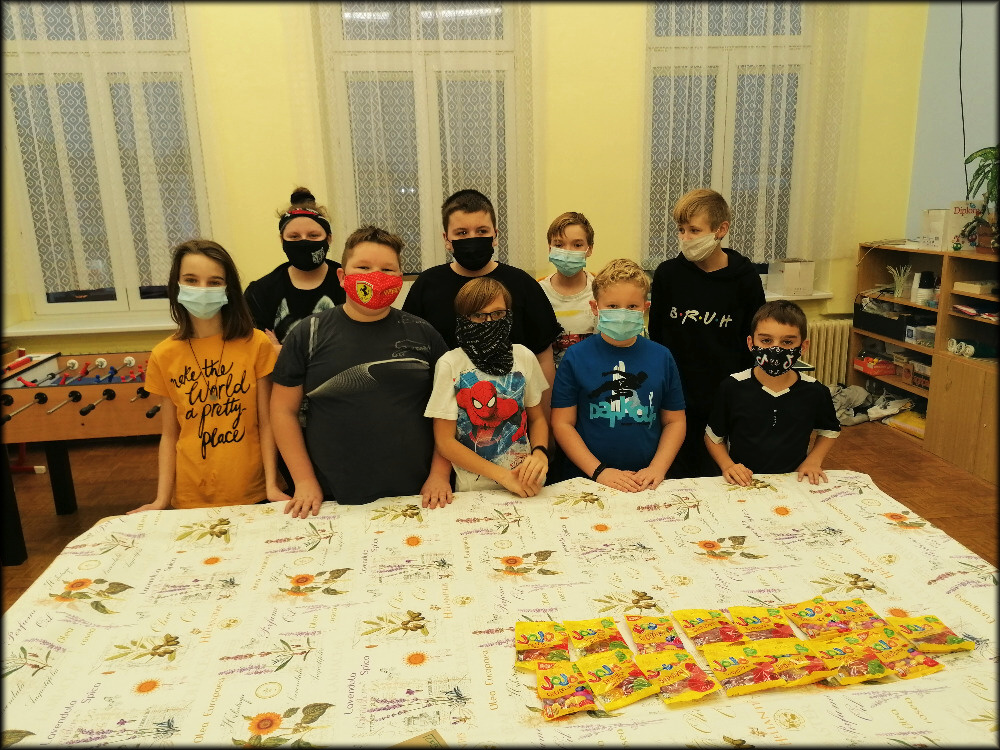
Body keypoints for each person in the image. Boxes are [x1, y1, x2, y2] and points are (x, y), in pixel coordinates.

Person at [270, 225, 452, 518]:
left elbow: (448, 410)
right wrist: (303, 481)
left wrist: (439, 474)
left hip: (419, 492)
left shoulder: (424, 333)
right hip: (330, 494)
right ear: (342, 276)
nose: (375, 276)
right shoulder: (308, 333)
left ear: (400, 278)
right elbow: (282, 411)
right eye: (363, 267)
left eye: (387, 269)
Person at [128, 240, 290, 513]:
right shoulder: (163, 354)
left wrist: (272, 485)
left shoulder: (256, 344)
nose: (202, 290)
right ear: (176, 285)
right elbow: (169, 435)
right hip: (191, 494)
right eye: (191, 280)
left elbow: (267, 423)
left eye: (214, 282)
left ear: (228, 289)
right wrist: (160, 500)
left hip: (252, 490)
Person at [402, 189, 561, 413]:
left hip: (514, 419)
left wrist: (544, 421)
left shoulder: (523, 284)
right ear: (446, 239)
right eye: (462, 233)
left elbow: (543, 358)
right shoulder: (426, 286)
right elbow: (412, 359)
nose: (472, 239)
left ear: (495, 235)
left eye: (482, 231)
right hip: (444, 418)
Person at [647, 188, 765, 478]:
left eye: (694, 230)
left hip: (724, 396)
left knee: (718, 474)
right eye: (681, 230)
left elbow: (753, 340)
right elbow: (657, 336)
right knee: (675, 474)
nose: (686, 238)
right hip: (677, 396)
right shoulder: (667, 274)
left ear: (720, 229)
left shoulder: (745, 278)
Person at [551, 259, 686, 492]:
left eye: (632, 306)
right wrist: (599, 471)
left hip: (646, 480)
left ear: (645, 307)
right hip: (587, 479)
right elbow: (562, 423)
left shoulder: (662, 357)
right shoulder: (575, 357)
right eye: (612, 306)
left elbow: (675, 421)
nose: (622, 314)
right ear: (595, 307)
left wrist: (657, 468)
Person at [424, 277, 549, 498]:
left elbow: (537, 418)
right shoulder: (451, 363)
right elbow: (444, 441)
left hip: (528, 484)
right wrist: (504, 477)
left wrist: (540, 453)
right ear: (464, 319)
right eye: (479, 315)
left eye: (498, 313)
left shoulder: (524, 356)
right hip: (472, 491)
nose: (489, 322)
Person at [705, 300, 841, 486]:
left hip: (794, 483)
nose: (776, 349)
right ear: (751, 343)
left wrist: (813, 460)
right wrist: (728, 466)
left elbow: (830, 430)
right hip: (744, 482)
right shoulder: (732, 387)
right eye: (766, 340)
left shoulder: (815, 391)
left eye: (787, 342)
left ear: (803, 346)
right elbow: (713, 437)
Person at [245, 187, 346, 353]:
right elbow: (259, 351)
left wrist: (283, 351)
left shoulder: (348, 283)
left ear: (329, 238)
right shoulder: (260, 292)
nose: (304, 242)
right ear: (282, 240)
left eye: (313, 235)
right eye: (294, 236)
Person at [537, 211, 597, 369]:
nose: (568, 251)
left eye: (577, 245)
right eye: (559, 245)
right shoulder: (537, 292)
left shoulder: (601, 291)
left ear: (589, 249)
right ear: (550, 248)